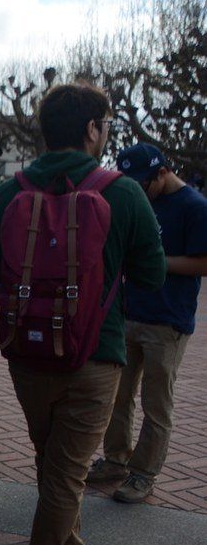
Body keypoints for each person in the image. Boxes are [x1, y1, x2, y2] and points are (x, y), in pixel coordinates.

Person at [0, 83, 166, 545]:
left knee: (52, 464)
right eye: (105, 123)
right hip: (95, 354)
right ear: (92, 129)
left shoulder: (10, 190)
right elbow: (152, 276)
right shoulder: (123, 192)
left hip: (25, 352)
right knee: (65, 476)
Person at [87, 143, 207, 503]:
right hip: (129, 313)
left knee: (157, 403)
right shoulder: (140, 199)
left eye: (143, 183)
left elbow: (202, 263)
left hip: (167, 321)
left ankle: (143, 474)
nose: (138, 191)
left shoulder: (195, 207)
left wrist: (153, 261)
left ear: (162, 172)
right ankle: (115, 460)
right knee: (117, 396)